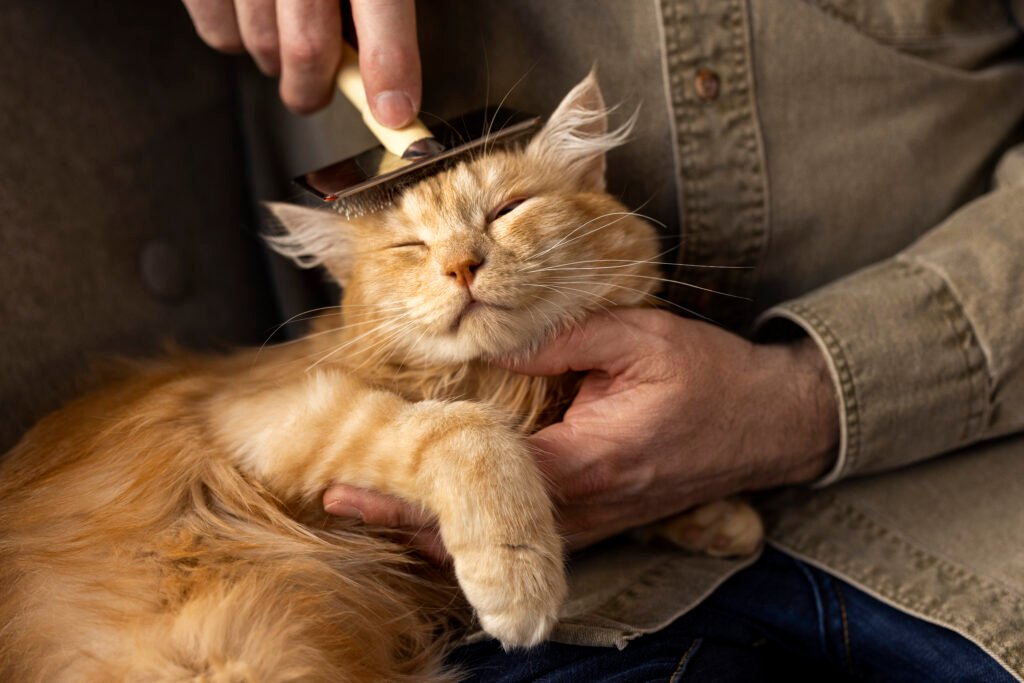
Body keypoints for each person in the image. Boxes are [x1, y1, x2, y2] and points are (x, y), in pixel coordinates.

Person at [8, 1, 1018, 680]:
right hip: (155, 591)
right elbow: (270, 429)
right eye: (408, 249)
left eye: (505, 220)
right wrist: (467, 456)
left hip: (956, 519)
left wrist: (801, 394)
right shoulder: (338, 370)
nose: (457, 261)